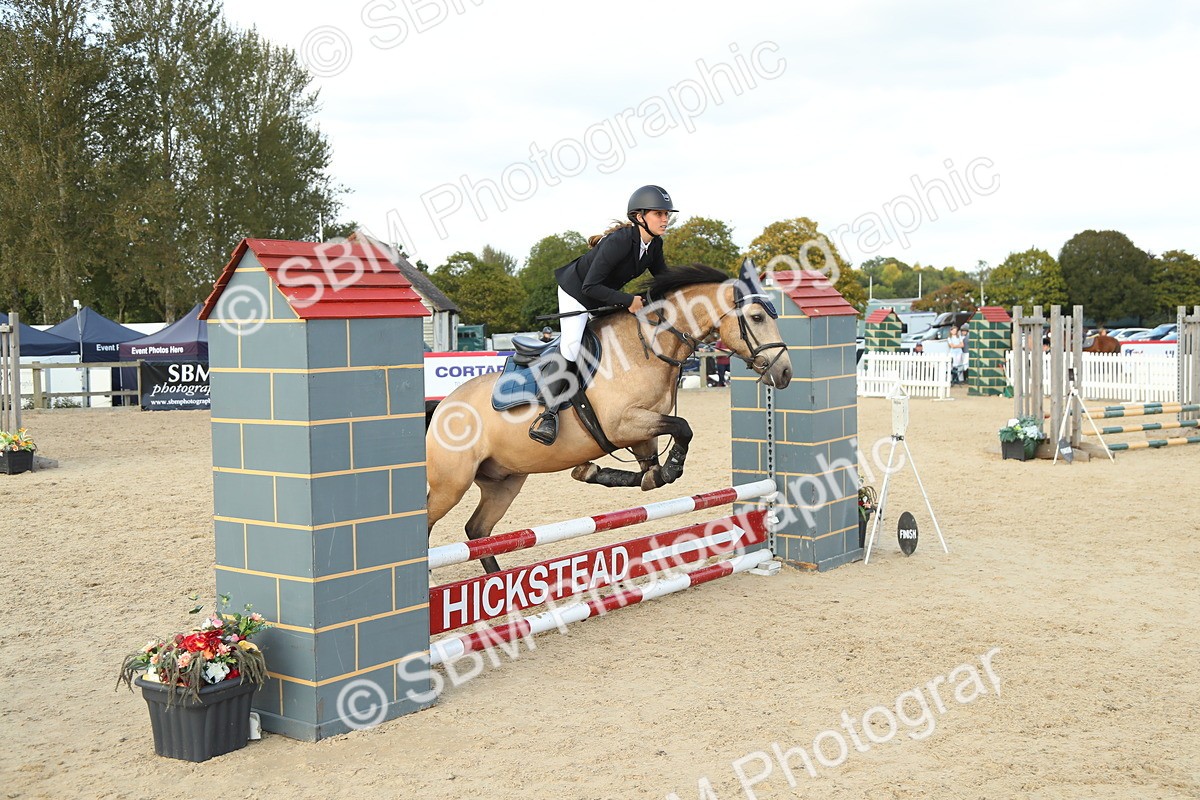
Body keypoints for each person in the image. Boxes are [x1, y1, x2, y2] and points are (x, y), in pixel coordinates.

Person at [528, 185, 676, 445]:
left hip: (603, 295)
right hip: (577, 291)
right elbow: (589, 287)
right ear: (639, 217)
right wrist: (628, 300)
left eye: (666, 214)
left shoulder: (654, 245)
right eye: (658, 214)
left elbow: (665, 280)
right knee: (572, 345)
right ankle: (548, 414)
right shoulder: (619, 241)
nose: (665, 219)